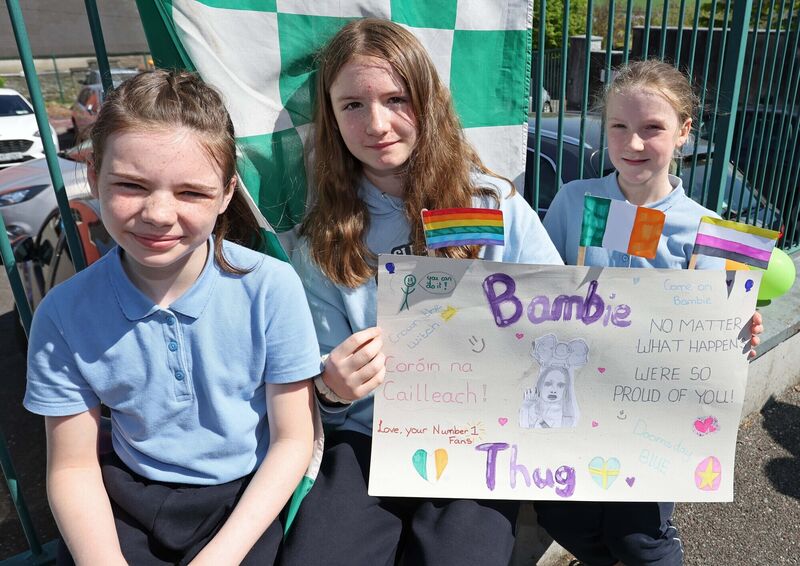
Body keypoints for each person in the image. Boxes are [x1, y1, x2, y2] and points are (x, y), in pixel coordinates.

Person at [282, 18, 563, 566]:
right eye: (353, 105)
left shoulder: (492, 206)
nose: (378, 123)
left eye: (396, 98)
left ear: (428, 102)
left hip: (479, 437)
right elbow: (317, 385)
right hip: (365, 444)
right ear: (331, 118)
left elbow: (567, 315)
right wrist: (332, 385)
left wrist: (719, 328)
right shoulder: (322, 241)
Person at [24, 70, 321, 566]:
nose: (159, 214)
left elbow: (293, 438)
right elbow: (73, 467)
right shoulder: (63, 313)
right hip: (128, 503)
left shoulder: (270, 287)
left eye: (191, 193)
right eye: (131, 185)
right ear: (94, 174)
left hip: (244, 503)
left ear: (227, 194)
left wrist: (219, 558)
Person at [537, 59, 764, 566]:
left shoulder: (707, 228)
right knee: (564, 518)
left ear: (684, 131)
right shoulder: (575, 202)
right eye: (619, 126)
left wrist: (735, 326)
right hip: (575, 398)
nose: (633, 144)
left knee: (642, 540)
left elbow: (716, 327)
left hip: (652, 413)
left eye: (652, 128)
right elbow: (539, 289)